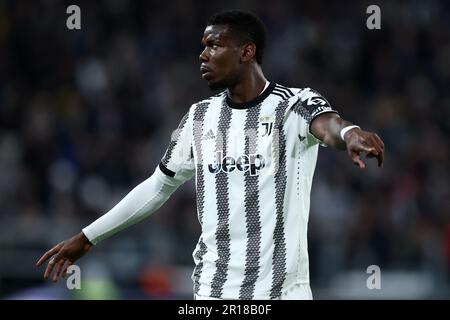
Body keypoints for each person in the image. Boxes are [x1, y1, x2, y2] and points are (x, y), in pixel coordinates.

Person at [36, 9, 384, 300]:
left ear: (247, 52)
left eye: (214, 45)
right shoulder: (199, 117)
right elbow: (158, 187)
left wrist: (350, 134)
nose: (203, 55)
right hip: (212, 295)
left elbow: (329, 125)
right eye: (203, 46)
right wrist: (88, 236)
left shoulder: (293, 105)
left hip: (282, 293)